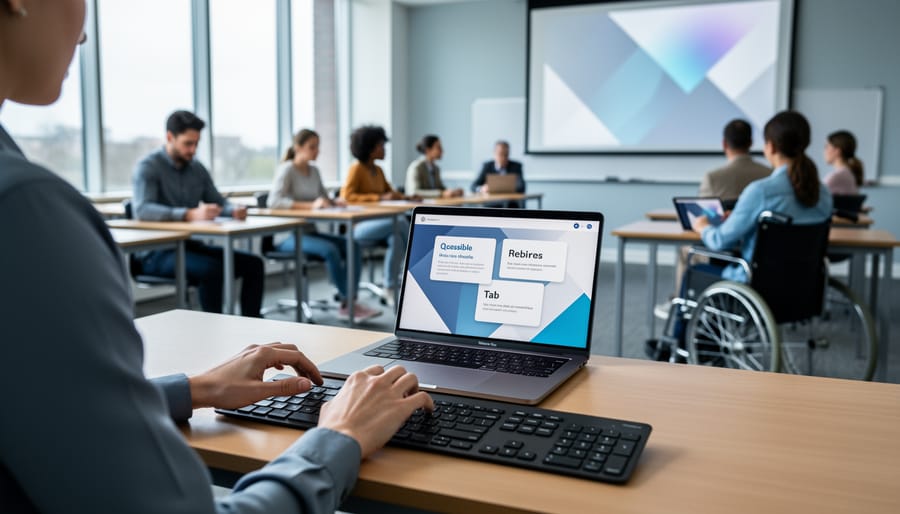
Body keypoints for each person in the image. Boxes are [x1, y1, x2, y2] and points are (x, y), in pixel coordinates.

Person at [0, 3, 433, 512]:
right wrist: (340, 435)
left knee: (247, 266)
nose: (84, 34)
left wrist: (196, 387)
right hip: (162, 252)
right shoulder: (25, 209)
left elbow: (50, 411)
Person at [132, 110, 265, 317]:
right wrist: (188, 214)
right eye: (187, 143)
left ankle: (253, 324)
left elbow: (218, 201)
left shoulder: (196, 168)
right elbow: (143, 209)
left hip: (191, 246)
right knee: (212, 270)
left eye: (196, 143)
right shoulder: (148, 167)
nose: (193, 149)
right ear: (170, 137)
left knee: (253, 264)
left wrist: (233, 210)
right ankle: (215, 332)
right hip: (157, 254)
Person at [268, 128, 381, 321]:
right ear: (298, 148)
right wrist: (310, 205)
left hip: (310, 233)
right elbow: (274, 202)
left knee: (352, 245)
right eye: (312, 147)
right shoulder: (287, 170)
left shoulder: (314, 171)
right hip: (289, 235)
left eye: (318, 147)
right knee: (330, 250)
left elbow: (323, 198)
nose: (317, 151)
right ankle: (348, 302)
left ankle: (348, 302)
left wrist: (334, 202)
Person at [339, 125, 413, 305]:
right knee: (402, 224)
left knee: (396, 238)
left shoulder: (378, 170)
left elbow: (390, 193)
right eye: (381, 145)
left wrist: (407, 197)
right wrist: (378, 197)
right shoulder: (356, 169)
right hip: (358, 227)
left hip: (381, 225)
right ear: (371, 148)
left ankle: (389, 286)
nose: (384, 149)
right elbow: (346, 196)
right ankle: (406, 278)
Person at [698, 119, 772, 202]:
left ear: (724, 143)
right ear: (751, 142)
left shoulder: (712, 178)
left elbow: (704, 213)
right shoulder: (770, 174)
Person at [404, 134, 463, 198]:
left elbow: (440, 188)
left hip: (433, 204)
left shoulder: (436, 168)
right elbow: (414, 192)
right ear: (428, 150)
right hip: (418, 206)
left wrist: (453, 192)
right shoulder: (416, 167)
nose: (442, 151)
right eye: (438, 147)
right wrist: (441, 194)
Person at [823, 130, 864, 195]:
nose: (824, 151)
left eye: (826, 147)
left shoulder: (835, 177)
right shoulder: (849, 174)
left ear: (837, 151)